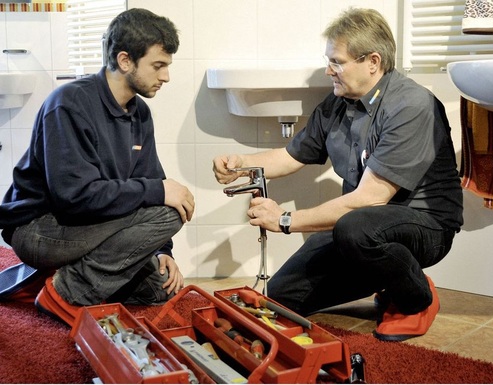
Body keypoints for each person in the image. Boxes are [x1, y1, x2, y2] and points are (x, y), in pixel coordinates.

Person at [213, 7, 463, 342]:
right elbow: (290, 157)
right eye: (328, 60)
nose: (328, 70)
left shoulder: (411, 106)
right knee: (281, 296)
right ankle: (392, 277)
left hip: (425, 225)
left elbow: (371, 198)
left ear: (372, 62)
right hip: (366, 229)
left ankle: (415, 297)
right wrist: (239, 162)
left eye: (337, 62)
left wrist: (286, 219)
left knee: (354, 227)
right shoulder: (337, 103)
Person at [0, 8, 195, 327]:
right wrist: (158, 191)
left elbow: (148, 179)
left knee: (157, 288)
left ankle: (60, 276)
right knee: (171, 209)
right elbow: (74, 198)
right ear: (125, 60)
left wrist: (163, 252)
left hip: (87, 225)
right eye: (158, 66)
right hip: (40, 228)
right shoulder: (69, 104)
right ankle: (67, 292)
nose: (166, 76)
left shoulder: (139, 113)